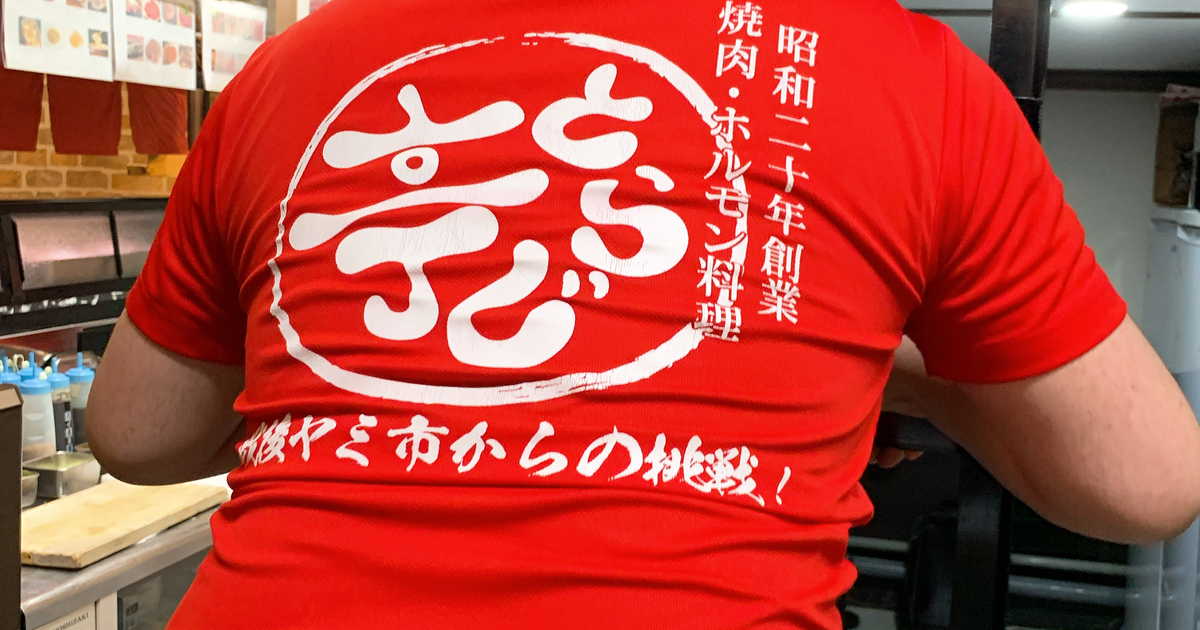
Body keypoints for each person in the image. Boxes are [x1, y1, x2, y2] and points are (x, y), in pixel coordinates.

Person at [88, 0, 1200, 628]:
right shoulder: (911, 75)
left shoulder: (291, 66)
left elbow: (138, 434)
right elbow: (1146, 481)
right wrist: (894, 375)